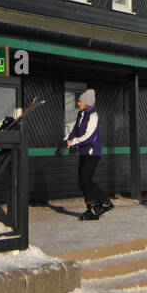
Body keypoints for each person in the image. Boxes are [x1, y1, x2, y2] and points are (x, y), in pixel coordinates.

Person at [63, 89, 111, 220]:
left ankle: (105, 201)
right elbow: (75, 130)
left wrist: (73, 142)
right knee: (82, 182)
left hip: (92, 152)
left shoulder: (93, 116)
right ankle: (92, 208)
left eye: (80, 101)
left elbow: (88, 137)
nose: (78, 103)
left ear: (87, 103)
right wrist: (66, 140)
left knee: (85, 181)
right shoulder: (81, 114)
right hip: (83, 152)